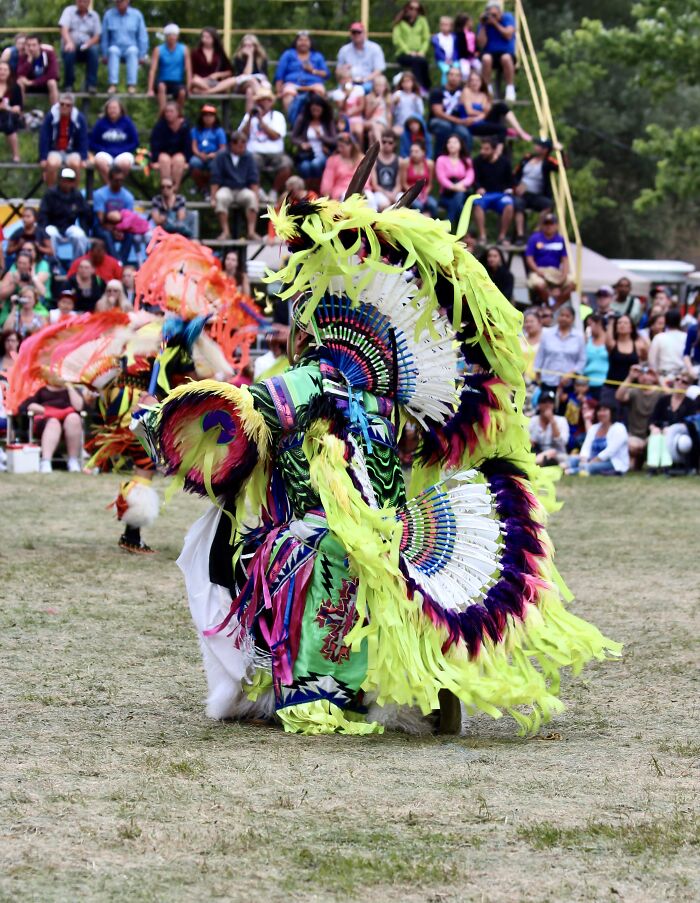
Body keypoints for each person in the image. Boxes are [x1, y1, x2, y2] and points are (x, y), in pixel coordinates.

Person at [135, 184, 619, 737]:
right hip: (392, 529)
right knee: (356, 558)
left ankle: (324, 691)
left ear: (307, 328)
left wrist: (166, 413)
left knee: (300, 550)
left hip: (328, 534)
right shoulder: (381, 394)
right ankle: (421, 687)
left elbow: (236, 416)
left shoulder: (306, 382)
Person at [20, 378, 85, 473]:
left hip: (68, 421)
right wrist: (47, 411)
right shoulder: (40, 388)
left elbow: (79, 407)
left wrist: (69, 386)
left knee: (74, 418)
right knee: (53, 423)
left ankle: (73, 460)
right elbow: (28, 406)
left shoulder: (72, 389)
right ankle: (46, 461)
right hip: (45, 420)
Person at [239, 86, 292, 200]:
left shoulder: (278, 116)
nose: (265, 102)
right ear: (257, 102)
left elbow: (275, 136)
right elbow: (241, 136)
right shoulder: (249, 116)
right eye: (262, 99)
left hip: (276, 154)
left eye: (268, 99)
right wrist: (249, 119)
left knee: (287, 164)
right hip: (255, 153)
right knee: (251, 161)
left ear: (271, 102)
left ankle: (274, 191)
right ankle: (259, 191)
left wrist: (261, 122)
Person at [210, 131, 261, 241]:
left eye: (244, 145)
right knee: (220, 198)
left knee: (252, 198)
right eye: (239, 145)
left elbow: (254, 178)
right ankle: (225, 232)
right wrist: (213, 197)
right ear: (232, 144)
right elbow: (215, 178)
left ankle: (251, 232)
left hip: (242, 188)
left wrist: (256, 197)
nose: (242, 148)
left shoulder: (248, 156)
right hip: (226, 187)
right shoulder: (221, 155)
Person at [460, 71, 530, 146]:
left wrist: (480, 116)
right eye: (472, 80)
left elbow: (486, 112)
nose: (474, 83)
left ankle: (520, 131)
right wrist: (481, 115)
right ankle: (505, 136)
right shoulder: (466, 91)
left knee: (501, 106)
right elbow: (469, 111)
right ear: (469, 82)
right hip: (472, 124)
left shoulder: (483, 95)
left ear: (481, 82)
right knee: (501, 129)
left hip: (482, 120)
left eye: (477, 80)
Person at [646, 372, 697, 475]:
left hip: (681, 437)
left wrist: (672, 429)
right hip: (662, 432)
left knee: (669, 435)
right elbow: (652, 419)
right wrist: (653, 428)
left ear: (687, 386)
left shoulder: (690, 404)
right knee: (656, 435)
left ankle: (667, 466)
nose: (679, 382)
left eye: (684, 382)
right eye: (677, 379)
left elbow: (690, 424)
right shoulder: (663, 401)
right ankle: (653, 467)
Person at [274, 31, 329, 123]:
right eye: (300, 40)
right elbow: (279, 74)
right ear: (296, 42)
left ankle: (316, 123)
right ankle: (294, 123)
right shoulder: (288, 54)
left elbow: (326, 74)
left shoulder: (317, 56)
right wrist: (279, 91)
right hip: (293, 84)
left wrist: (312, 70)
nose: (303, 43)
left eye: (306, 40)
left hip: (313, 85)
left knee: (320, 92)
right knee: (287, 93)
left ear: (310, 43)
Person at [38, 166, 91, 260]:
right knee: (50, 234)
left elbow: (84, 213)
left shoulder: (77, 195)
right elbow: (43, 214)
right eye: (65, 180)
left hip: (69, 226)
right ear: (60, 180)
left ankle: (77, 263)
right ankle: (54, 264)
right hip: (52, 226)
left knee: (79, 235)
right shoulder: (50, 193)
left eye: (70, 181)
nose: (67, 183)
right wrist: (43, 231)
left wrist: (85, 230)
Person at [615, 363, 662, 470]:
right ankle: (638, 460)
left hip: (653, 435)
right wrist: (630, 377)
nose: (644, 377)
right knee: (631, 446)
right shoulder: (634, 392)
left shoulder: (659, 393)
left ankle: (647, 461)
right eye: (641, 374)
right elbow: (619, 396)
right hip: (636, 437)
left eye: (648, 373)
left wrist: (658, 379)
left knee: (654, 440)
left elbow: (671, 397)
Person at [513, 138, 558, 244]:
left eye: (538, 145)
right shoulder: (527, 158)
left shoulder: (548, 161)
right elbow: (515, 174)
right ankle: (520, 235)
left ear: (545, 149)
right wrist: (516, 186)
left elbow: (562, 166)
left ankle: (537, 232)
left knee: (548, 205)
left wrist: (560, 151)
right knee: (518, 204)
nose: (535, 147)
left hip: (536, 195)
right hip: (522, 193)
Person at [534, 303, 586, 395]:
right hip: (548, 380)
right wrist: (537, 375)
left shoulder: (579, 337)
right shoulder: (547, 334)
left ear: (573, 319)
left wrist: (571, 374)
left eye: (567, 316)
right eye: (562, 315)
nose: (564, 318)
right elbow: (540, 355)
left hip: (568, 384)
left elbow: (582, 360)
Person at [38, 92, 88, 188]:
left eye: (68, 105)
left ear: (72, 107)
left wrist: (83, 157)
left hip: (72, 150)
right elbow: (44, 137)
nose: (64, 107)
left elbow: (83, 139)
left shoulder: (79, 118)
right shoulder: (51, 116)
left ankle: (73, 193)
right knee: (51, 164)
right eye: (62, 104)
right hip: (55, 150)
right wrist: (43, 157)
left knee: (75, 164)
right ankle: (51, 192)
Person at [524, 212, 575, 306]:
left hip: (555, 271)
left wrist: (563, 276)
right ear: (542, 225)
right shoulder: (534, 238)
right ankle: (548, 305)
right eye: (546, 223)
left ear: (556, 225)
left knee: (572, 283)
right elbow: (529, 258)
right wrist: (537, 271)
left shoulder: (560, 239)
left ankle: (555, 307)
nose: (549, 226)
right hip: (539, 270)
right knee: (539, 284)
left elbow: (565, 259)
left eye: (551, 223)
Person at [566, 401, 629, 475]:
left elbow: (610, 451)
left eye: (604, 410)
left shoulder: (619, 428)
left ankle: (572, 471)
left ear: (611, 412)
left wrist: (594, 460)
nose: (601, 413)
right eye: (599, 410)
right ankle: (571, 468)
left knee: (592, 467)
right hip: (591, 459)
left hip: (612, 462)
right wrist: (583, 459)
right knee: (573, 459)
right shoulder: (594, 428)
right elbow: (586, 446)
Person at [601, 313, 648, 412]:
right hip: (611, 387)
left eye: (626, 323)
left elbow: (646, 357)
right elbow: (607, 340)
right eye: (619, 323)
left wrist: (639, 333)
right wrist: (611, 321)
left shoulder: (638, 345)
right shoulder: (613, 344)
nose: (622, 325)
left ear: (631, 327)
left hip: (631, 389)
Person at [472, 135, 514, 244]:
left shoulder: (505, 162)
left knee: (509, 205)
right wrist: (478, 187)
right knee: (477, 204)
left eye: (486, 149)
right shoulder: (477, 161)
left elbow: (510, 181)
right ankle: (482, 236)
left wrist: (509, 189)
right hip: (484, 195)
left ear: (494, 150)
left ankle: (502, 236)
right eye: (482, 148)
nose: (483, 152)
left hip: (500, 195)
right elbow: (474, 179)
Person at [101, 0, 149, 95]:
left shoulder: (137, 15)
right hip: (115, 47)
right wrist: (104, 54)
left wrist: (142, 55)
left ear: (128, 1)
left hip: (131, 47)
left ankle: (131, 85)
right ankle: (113, 85)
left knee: (133, 51)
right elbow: (104, 37)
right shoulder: (108, 15)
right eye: (117, 1)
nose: (119, 2)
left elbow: (142, 37)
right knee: (112, 50)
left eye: (122, 1)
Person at [89, 98, 139, 183]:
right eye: (110, 108)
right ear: (106, 110)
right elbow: (92, 142)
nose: (113, 110)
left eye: (115, 108)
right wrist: (105, 149)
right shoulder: (100, 123)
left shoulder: (127, 122)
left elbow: (135, 142)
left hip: (123, 153)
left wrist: (122, 150)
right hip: (105, 153)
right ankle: (110, 187)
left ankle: (117, 186)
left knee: (125, 163)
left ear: (120, 109)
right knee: (99, 160)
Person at [93, 165, 136, 263]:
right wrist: (114, 230)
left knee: (130, 235)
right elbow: (101, 219)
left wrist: (119, 230)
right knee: (107, 235)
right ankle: (115, 262)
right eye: (117, 180)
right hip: (102, 226)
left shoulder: (128, 196)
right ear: (110, 179)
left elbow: (128, 219)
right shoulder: (100, 194)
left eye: (121, 180)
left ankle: (121, 261)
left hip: (121, 227)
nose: (119, 183)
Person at [290, 93, 337, 181]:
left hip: (324, 153)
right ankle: (309, 189)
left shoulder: (328, 121)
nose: (315, 112)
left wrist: (322, 137)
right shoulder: (302, 119)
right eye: (313, 110)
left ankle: (318, 187)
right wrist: (302, 144)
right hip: (307, 154)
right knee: (305, 166)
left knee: (316, 164)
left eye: (318, 109)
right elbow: (293, 137)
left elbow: (334, 140)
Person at [428, 65, 472, 155]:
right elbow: (438, 112)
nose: (454, 78)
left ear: (460, 78)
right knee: (445, 127)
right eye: (451, 75)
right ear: (447, 76)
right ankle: (439, 159)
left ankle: (465, 163)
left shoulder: (464, 91)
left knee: (465, 134)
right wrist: (458, 120)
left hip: (457, 124)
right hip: (438, 121)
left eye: (457, 75)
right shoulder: (437, 91)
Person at [477, 1, 516, 101]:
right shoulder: (484, 22)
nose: (492, 17)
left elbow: (508, 35)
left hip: (506, 53)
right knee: (486, 58)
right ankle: (487, 89)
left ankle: (510, 89)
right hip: (489, 53)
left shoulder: (507, 18)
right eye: (491, 15)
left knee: (506, 58)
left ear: (500, 12)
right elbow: (481, 44)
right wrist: (483, 26)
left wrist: (495, 23)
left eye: (495, 14)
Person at [147, 22, 190, 114]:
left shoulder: (184, 49)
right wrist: (150, 89)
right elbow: (153, 70)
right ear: (166, 37)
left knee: (182, 92)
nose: (172, 37)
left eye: (174, 35)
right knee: (161, 87)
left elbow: (188, 69)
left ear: (177, 36)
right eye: (169, 35)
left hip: (177, 82)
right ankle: (163, 114)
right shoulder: (158, 50)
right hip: (163, 81)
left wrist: (189, 87)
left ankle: (178, 115)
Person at [59, 0, 101, 93]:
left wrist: (88, 44)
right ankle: (68, 85)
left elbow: (97, 36)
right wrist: (69, 42)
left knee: (94, 50)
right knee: (70, 51)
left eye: (84, 1)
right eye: (80, 1)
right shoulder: (68, 11)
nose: (82, 3)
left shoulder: (94, 16)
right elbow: (64, 30)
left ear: (89, 2)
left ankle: (91, 85)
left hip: (87, 47)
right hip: (71, 45)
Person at [436, 133, 474, 229]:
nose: (451, 144)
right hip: (446, 194)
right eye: (449, 142)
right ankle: (461, 234)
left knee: (460, 199)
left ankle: (447, 228)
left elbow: (470, 176)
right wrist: (454, 187)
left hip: (462, 192)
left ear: (461, 145)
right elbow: (442, 178)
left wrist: (460, 185)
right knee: (460, 207)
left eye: (455, 142)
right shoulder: (441, 160)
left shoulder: (466, 160)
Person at [150, 100, 191, 192]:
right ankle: (166, 188)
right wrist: (155, 160)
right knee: (164, 160)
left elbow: (188, 145)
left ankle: (175, 189)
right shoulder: (160, 125)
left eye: (171, 111)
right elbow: (154, 144)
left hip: (179, 154)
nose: (168, 114)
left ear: (178, 113)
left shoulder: (185, 126)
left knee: (179, 160)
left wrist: (187, 161)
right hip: (163, 153)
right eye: (167, 111)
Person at [214, 34, 271, 100]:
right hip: (241, 85)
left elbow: (264, 75)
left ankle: (251, 110)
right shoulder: (238, 58)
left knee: (249, 91)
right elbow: (246, 75)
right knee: (252, 81)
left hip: (257, 85)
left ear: (255, 47)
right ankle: (262, 99)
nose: (247, 48)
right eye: (245, 45)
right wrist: (250, 56)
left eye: (250, 46)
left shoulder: (261, 58)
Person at [392, 2, 432, 90]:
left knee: (423, 61)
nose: (413, 11)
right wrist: (408, 51)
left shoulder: (422, 20)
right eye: (411, 8)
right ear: (407, 8)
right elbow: (397, 39)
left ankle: (426, 88)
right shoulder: (400, 21)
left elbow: (426, 38)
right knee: (416, 62)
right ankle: (417, 87)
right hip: (403, 54)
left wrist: (422, 51)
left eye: (416, 9)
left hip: (418, 54)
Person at [337, 22, 386, 92]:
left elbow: (379, 70)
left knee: (371, 88)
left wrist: (365, 79)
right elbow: (337, 71)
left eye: (359, 32)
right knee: (342, 91)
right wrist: (343, 69)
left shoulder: (375, 48)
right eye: (354, 33)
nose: (356, 35)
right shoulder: (344, 50)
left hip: (369, 82)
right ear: (350, 34)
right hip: (349, 82)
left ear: (364, 33)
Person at [189, 104, 227, 191]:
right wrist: (199, 154)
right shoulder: (195, 130)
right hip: (199, 155)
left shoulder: (219, 131)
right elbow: (194, 146)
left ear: (215, 117)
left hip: (214, 155)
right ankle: (201, 187)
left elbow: (223, 148)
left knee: (214, 166)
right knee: (194, 163)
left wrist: (214, 154)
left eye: (211, 115)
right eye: (205, 115)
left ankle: (211, 188)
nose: (208, 118)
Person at [16, 34, 59, 105]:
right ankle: (19, 112)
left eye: (34, 45)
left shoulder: (49, 54)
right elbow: (19, 73)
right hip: (28, 85)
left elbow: (53, 74)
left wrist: (33, 82)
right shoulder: (23, 56)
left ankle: (55, 113)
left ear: (39, 45)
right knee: (19, 82)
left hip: (44, 84)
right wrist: (29, 61)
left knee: (52, 82)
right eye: (28, 45)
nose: (31, 48)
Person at [529, 390, 569, 467]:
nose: (547, 405)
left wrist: (552, 421)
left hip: (558, 454)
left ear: (554, 405)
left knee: (552, 452)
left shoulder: (561, 420)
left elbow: (562, 443)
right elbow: (529, 442)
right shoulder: (533, 420)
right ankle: (538, 462)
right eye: (544, 402)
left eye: (550, 402)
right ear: (539, 405)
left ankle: (534, 464)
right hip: (537, 452)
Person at [189, 27, 232, 96]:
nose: (205, 39)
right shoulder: (195, 53)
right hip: (201, 82)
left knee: (232, 81)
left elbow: (229, 72)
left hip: (216, 82)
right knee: (195, 80)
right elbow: (192, 72)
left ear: (214, 38)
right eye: (203, 37)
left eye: (208, 37)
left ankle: (206, 91)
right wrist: (203, 79)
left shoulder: (220, 53)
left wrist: (217, 75)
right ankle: (213, 91)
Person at [330, 64, 367, 144]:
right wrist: (346, 96)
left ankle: (360, 153)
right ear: (339, 81)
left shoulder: (359, 89)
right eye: (344, 79)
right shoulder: (337, 93)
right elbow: (341, 108)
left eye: (348, 78)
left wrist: (352, 113)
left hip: (357, 117)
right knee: (345, 132)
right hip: (344, 118)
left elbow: (361, 106)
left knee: (358, 132)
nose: (347, 80)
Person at [319, 133, 363, 201]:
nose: (339, 149)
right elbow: (327, 181)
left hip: (361, 190)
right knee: (349, 199)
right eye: (338, 146)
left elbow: (366, 178)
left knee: (370, 197)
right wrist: (327, 197)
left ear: (351, 146)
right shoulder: (332, 160)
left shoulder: (361, 158)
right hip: (341, 192)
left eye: (342, 146)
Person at [399, 140, 436, 216]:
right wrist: (415, 193)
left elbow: (430, 185)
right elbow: (403, 184)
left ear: (423, 152)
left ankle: (429, 221)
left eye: (416, 151)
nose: (413, 154)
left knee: (433, 204)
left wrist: (425, 194)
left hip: (424, 193)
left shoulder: (430, 164)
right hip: (409, 193)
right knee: (418, 206)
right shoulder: (405, 163)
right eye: (411, 151)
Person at [367, 131, 401, 211]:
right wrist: (387, 194)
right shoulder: (375, 159)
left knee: (403, 203)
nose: (386, 145)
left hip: (394, 191)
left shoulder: (399, 161)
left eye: (390, 142)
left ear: (395, 144)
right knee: (384, 204)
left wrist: (393, 194)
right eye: (384, 142)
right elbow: (375, 185)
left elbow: (399, 184)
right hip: (379, 192)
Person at [647, 307, 686, 377]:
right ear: (680, 321)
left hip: (665, 377)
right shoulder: (686, 337)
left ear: (666, 321)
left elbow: (652, 362)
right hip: (679, 378)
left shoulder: (658, 337)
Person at [0, 59, 23, 163]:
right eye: (0, 69)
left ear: (9, 72)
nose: (2, 72)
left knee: (8, 121)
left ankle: (16, 156)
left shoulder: (15, 87)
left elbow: (18, 107)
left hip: (9, 117)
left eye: (5, 70)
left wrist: (8, 108)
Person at [583, 313, 609, 400]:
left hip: (605, 384)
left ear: (599, 324)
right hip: (587, 385)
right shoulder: (587, 341)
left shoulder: (610, 341)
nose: (588, 328)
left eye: (590, 325)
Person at [390, 70, 424, 136]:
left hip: (413, 125)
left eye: (408, 81)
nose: (406, 84)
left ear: (413, 83)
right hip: (399, 124)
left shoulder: (416, 97)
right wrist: (395, 104)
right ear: (401, 83)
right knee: (393, 132)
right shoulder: (397, 94)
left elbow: (421, 113)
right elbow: (392, 112)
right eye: (404, 81)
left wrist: (416, 102)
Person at [363, 74, 392, 145]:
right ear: (373, 86)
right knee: (374, 125)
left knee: (371, 134)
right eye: (377, 85)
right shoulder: (369, 97)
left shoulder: (387, 98)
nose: (379, 88)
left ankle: (373, 155)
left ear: (385, 87)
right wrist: (375, 104)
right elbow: (367, 115)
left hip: (382, 122)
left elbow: (388, 114)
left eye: (381, 86)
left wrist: (389, 128)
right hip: (370, 121)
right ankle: (380, 148)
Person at [431, 16, 458, 84]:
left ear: (450, 26)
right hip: (442, 60)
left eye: (446, 25)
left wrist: (452, 59)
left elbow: (456, 50)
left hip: (453, 60)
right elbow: (437, 51)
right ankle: (445, 87)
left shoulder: (454, 37)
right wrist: (444, 59)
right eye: (443, 24)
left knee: (457, 69)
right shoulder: (436, 38)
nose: (444, 27)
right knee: (446, 70)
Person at [520, 307, 543, 385]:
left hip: (538, 382)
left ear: (539, 323)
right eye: (526, 322)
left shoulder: (545, 341)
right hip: (519, 380)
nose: (528, 324)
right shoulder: (519, 340)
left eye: (531, 321)